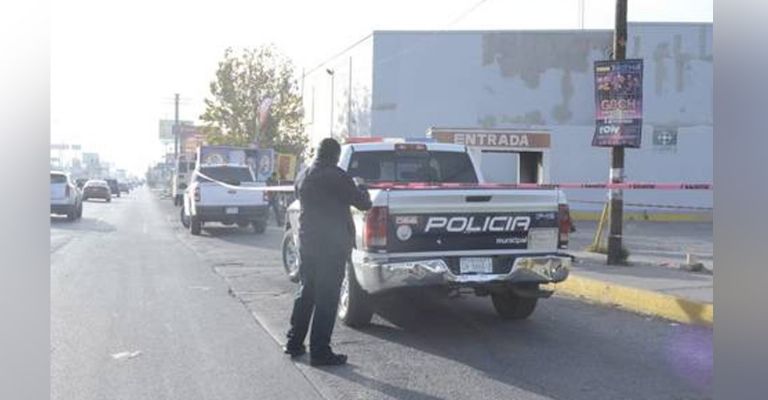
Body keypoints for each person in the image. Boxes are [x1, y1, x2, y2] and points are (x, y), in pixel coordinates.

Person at [284, 138, 372, 366]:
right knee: (327, 299)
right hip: (331, 248)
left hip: (308, 244)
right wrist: (362, 187)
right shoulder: (338, 176)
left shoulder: (303, 175)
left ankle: (294, 342)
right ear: (335, 155)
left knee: (306, 293)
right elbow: (363, 204)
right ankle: (320, 351)